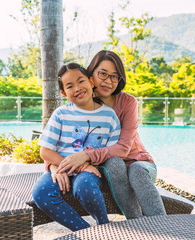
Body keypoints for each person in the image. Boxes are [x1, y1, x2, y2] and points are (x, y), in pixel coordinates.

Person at [54, 50, 167, 219]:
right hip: (105, 170)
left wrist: (86, 155)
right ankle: (137, 224)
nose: (109, 81)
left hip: (139, 163)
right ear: (91, 75)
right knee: (114, 163)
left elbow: (123, 149)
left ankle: (162, 225)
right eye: (103, 74)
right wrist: (55, 167)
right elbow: (57, 143)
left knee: (133, 169)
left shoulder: (128, 102)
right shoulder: (80, 102)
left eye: (115, 76)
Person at [32, 63, 121, 231]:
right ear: (64, 93)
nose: (77, 88)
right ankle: (85, 232)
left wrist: (85, 167)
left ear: (91, 82)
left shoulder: (108, 116)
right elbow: (45, 151)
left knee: (85, 187)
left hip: (91, 172)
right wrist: (57, 167)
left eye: (81, 81)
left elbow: (111, 152)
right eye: (70, 86)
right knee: (41, 193)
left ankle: (104, 226)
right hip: (61, 168)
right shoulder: (61, 114)